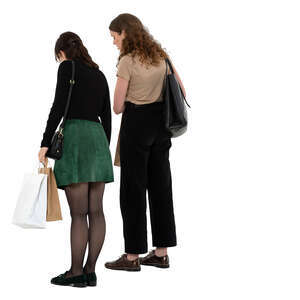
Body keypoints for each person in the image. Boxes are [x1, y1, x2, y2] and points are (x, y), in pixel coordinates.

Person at [105, 13, 186, 271]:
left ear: (125, 33)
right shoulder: (161, 56)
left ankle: (131, 257)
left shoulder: (127, 61)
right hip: (161, 126)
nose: (114, 42)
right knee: (161, 187)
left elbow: (117, 107)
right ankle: (161, 253)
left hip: (137, 125)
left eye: (115, 37)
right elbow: (182, 92)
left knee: (133, 190)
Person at [38, 31, 114, 287]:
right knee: (97, 211)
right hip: (98, 139)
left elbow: (58, 106)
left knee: (79, 215)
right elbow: (107, 115)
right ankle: (90, 270)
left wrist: (45, 143)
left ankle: (75, 272)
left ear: (62, 52)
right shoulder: (100, 74)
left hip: (76, 139)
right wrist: (104, 147)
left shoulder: (67, 68)